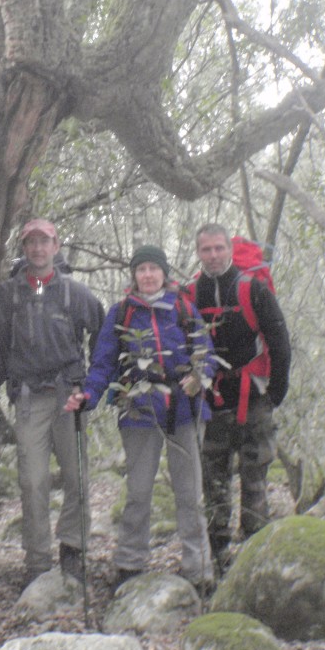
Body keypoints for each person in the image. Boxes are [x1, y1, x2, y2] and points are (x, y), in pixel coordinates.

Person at [67, 245, 216, 591]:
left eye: (153, 268)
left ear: (165, 273)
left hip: (184, 410)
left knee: (190, 492)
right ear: (134, 275)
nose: (147, 275)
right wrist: (89, 395)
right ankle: (130, 563)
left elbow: (205, 351)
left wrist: (198, 375)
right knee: (138, 491)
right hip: (139, 410)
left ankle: (199, 567)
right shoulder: (121, 314)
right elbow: (104, 362)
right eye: (141, 269)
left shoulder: (183, 308)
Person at [0, 219, 104, 586]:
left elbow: (102, 336)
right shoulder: (9, 294)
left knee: (76, 477)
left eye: (44, 242)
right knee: (32, 481)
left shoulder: (75, 292)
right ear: (24, 248)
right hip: (28, 398)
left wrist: (93, 388)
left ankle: (72, 548)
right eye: (31, 242)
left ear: (56, 245)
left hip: (69, 395)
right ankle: (37, 562)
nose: (38, 249)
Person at [192, 224, 291, 571]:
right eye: (207, 250)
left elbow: (279, 340)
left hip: (254, 397)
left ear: (229, 250)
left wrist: (276, 391)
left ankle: (254, 556)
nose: (214, 256)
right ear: (198, 252)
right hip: (213, 401)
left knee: (255, 480)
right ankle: (218, 554)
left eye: (219, 248)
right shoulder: (192, 293)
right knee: (214, 480)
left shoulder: (252, 288)